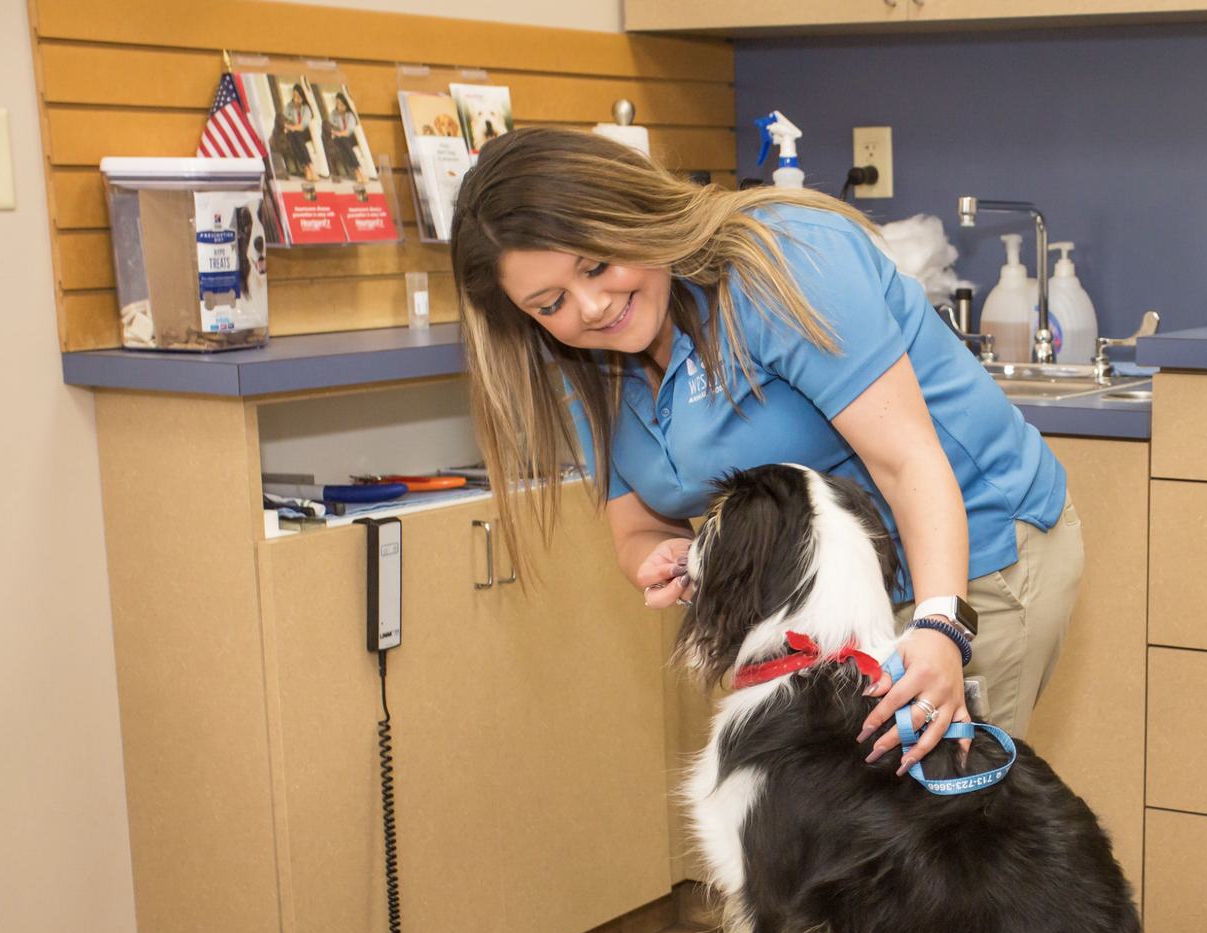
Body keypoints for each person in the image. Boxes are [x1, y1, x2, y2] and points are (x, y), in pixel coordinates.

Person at [448, 128, 1082, 773]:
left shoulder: (783, 261)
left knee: (943, 835)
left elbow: (906, 460)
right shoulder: (581, 359)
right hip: (815, 608)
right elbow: (638, 525)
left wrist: (943, 626)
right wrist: (658, 558)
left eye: (596, 264)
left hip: (966, 561)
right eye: (550, 302)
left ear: (634, 216)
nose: (591, 306)